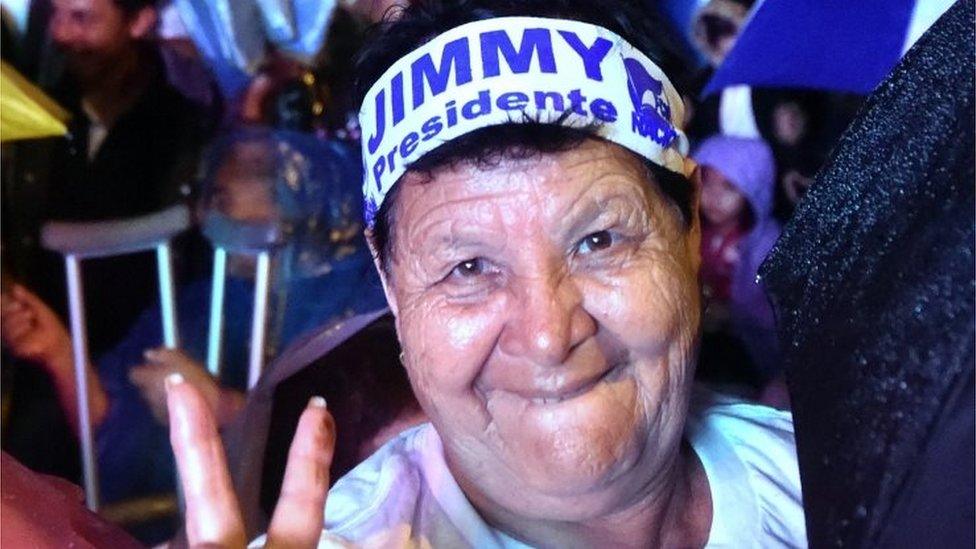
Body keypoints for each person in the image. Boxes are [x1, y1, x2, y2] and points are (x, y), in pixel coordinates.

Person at [163, 1, 807, 547]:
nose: (549, 337)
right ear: (390, 282)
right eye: (468, 267)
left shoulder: (844, 485)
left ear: (690, 227)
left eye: (598, 239)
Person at [692, 135, 783, 401]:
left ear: (753, 191)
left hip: (746, 351)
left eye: (729, 187)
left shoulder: (765, 244)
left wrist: (730, 315)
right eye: (705, 181)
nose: (713, 197)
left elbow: (773, 315)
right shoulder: (693, 230)